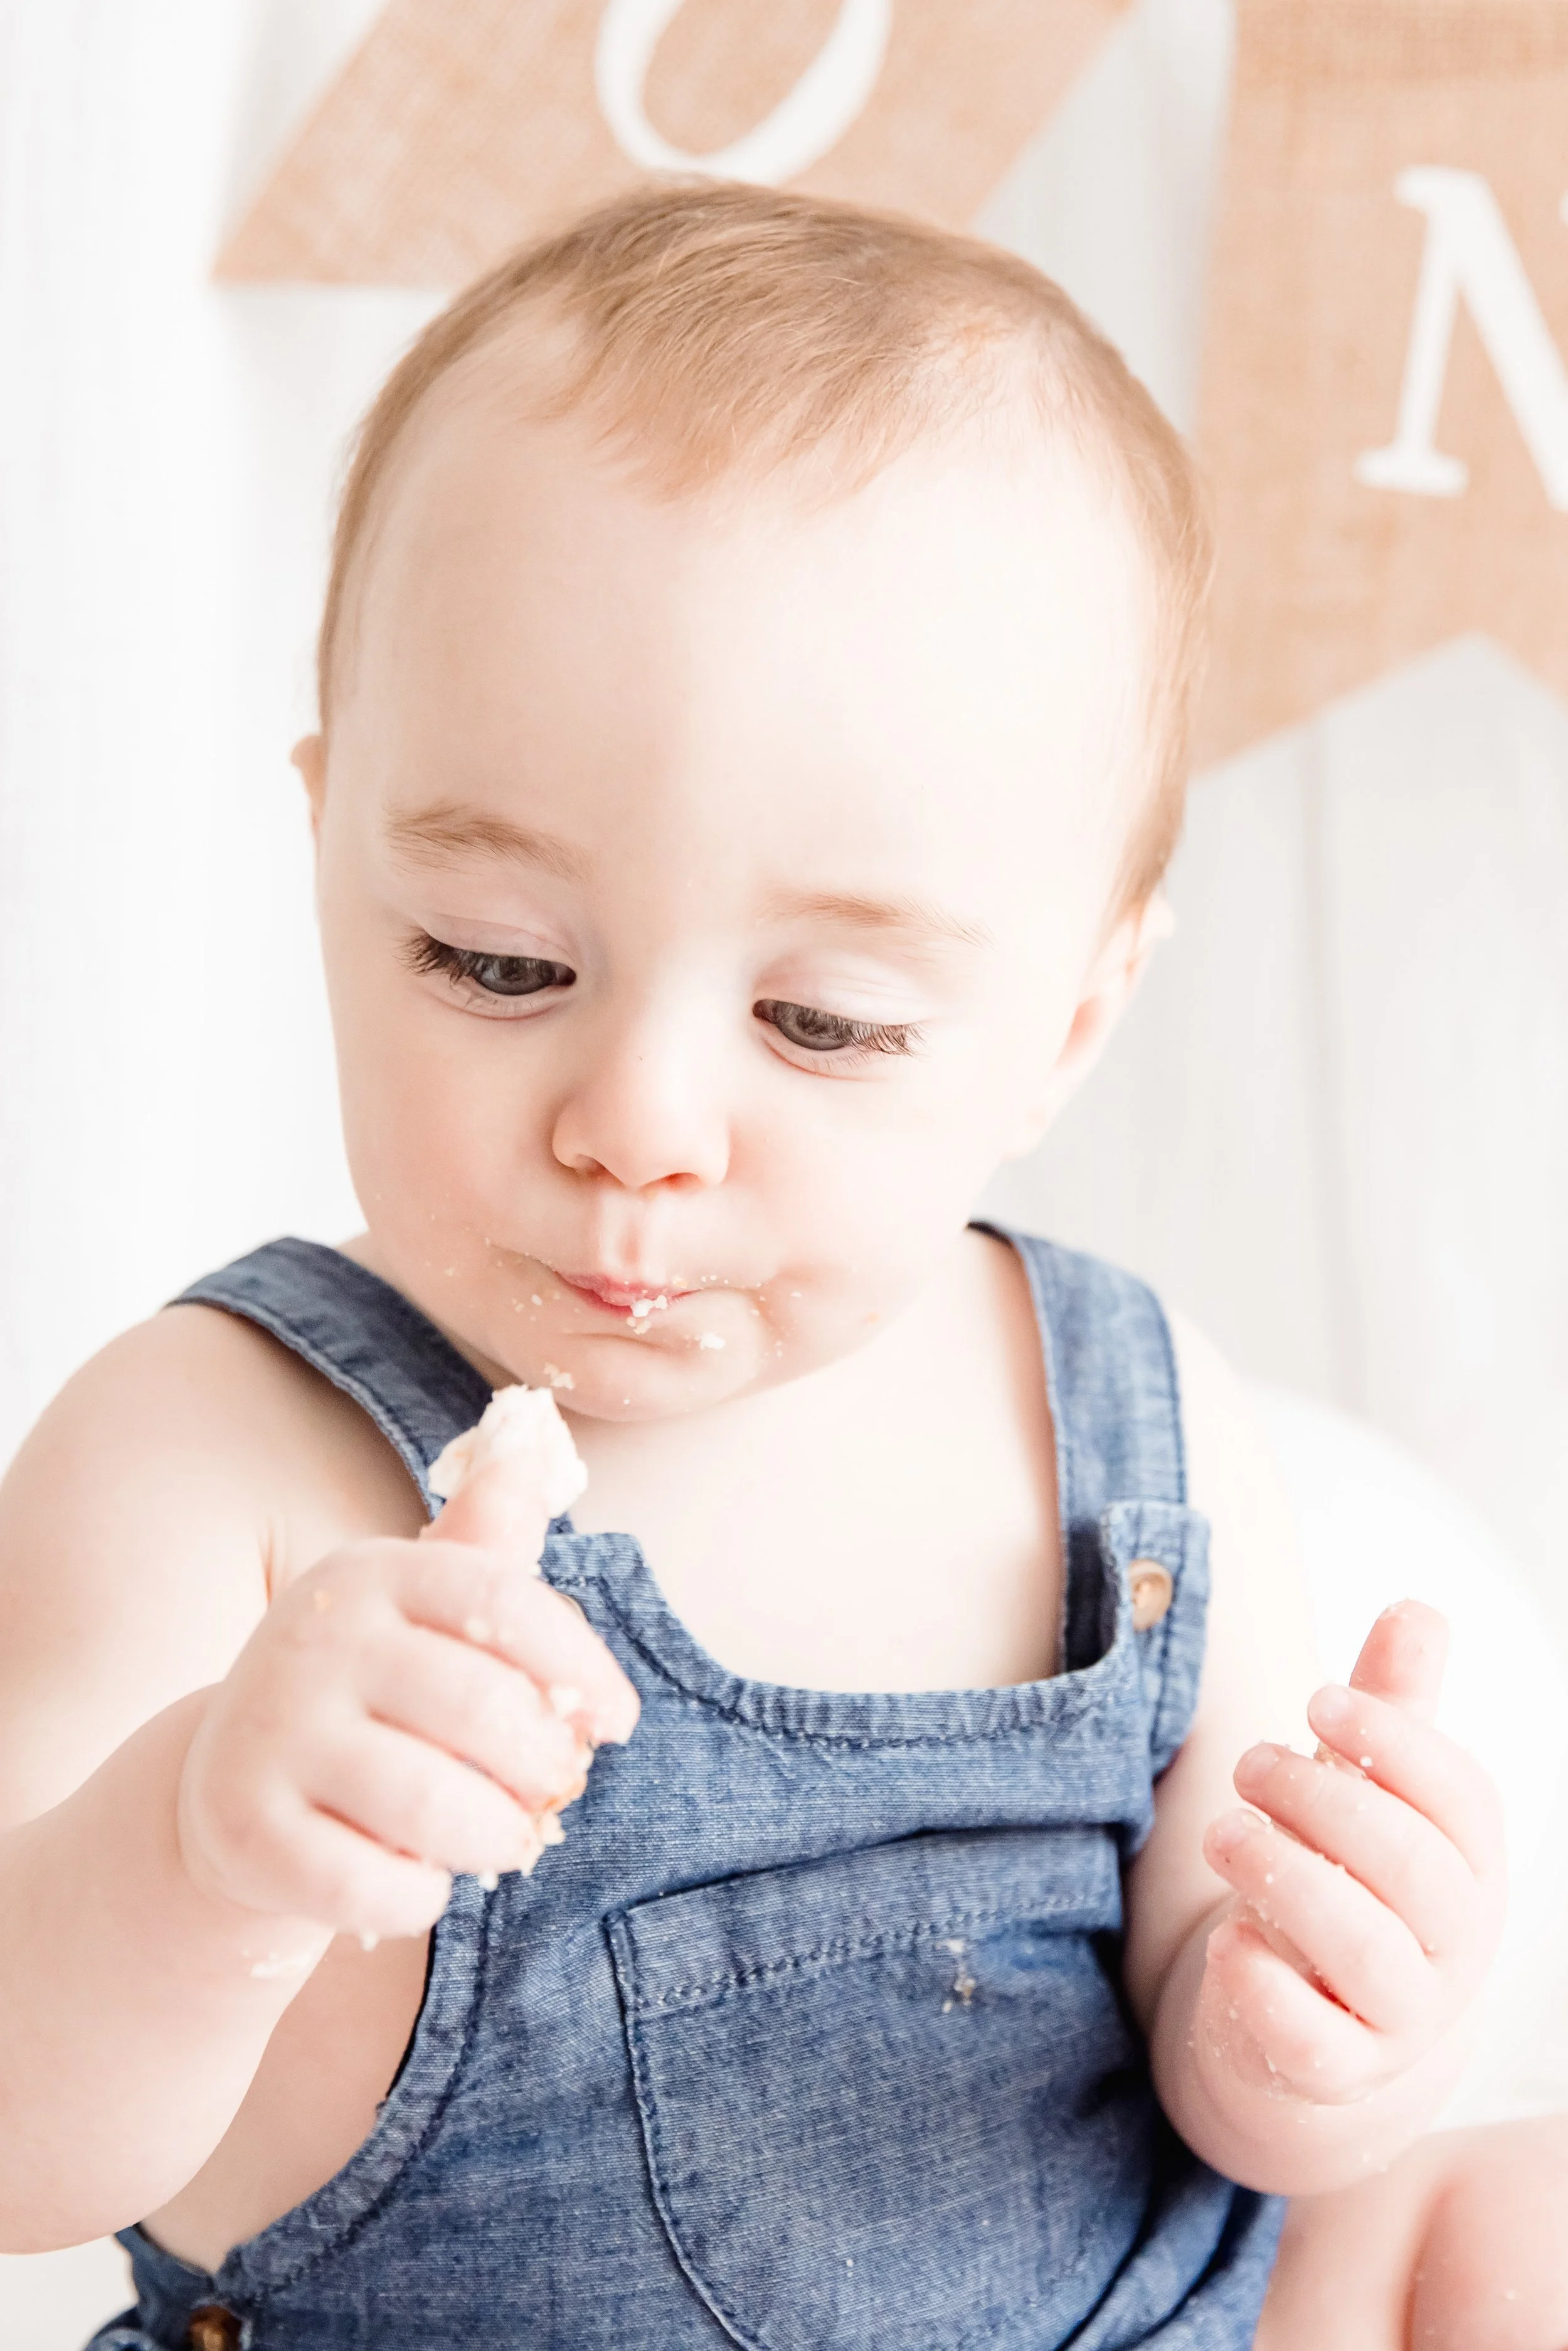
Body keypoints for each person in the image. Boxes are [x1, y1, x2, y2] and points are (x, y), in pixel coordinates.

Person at [1, 183, 1562, 2351]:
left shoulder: (1129, 1415)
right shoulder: (215, 1453)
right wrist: (197, 1846)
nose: (637, 1116)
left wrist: (1317, 2026)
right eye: (498, 958)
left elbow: (1222, 2092)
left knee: (1510, 2230)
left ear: (1069, 1026)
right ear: (328, 836)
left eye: (818, 1021)